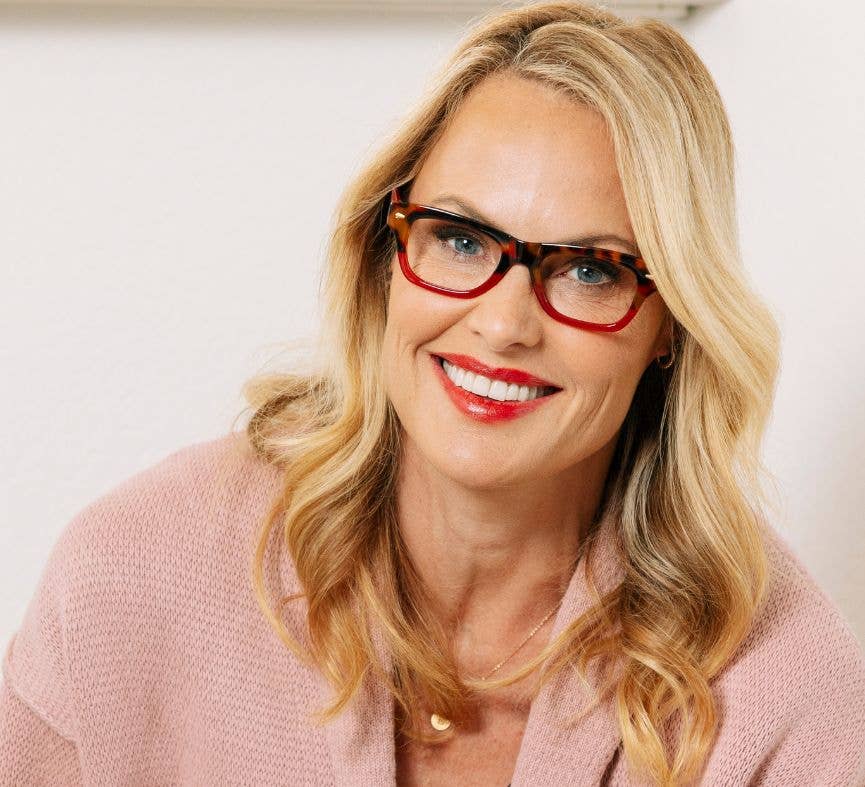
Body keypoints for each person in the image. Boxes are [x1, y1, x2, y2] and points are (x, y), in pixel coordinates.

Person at [2, 2, 864, 785]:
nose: (503, 323)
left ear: (670, 323)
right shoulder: (133, 575)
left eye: (590, 269)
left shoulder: (785, 689)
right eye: (459, 239)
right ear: (383, 257)